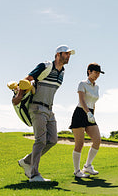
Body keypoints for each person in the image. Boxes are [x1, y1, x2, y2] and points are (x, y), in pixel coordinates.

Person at [14, 45, 75, 182]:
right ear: (58, 55)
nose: (69, 56)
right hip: (37, 107)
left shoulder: (62, 72)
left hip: (49, 110)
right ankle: (34, 175)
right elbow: (27, 80)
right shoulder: (45, 66)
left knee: (52, 139)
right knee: (40, 140)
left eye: (70, 54)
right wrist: (19, 95)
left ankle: (26, 161)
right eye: (67, 54)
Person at [69, 63, 104, 178]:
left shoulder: (97, 87)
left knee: (97, 140)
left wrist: (92, 115)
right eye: (96, 72)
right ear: (89, 71)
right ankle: (76, 171)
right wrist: (88, 112)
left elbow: (93, 103)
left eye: (99, 73)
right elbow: (82, 100)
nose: (97, 75)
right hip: (80, 113)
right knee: (80, 143)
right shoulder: (82, 84)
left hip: (90, 114)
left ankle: (88, 166)